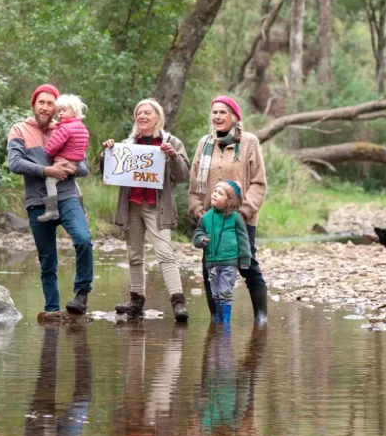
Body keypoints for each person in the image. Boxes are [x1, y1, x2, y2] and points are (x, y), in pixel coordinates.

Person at [99, 99, 192, 322]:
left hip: (157, 207)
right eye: (139, 113)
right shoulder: (127, 143)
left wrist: (172, 156)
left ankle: (178, 302)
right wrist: (107, 154)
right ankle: (136, 300)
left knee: (165, 253)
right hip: (132, 205)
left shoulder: (172, 142)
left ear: (157, 117)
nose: (142, 116)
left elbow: (182, 175)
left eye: (147, 113)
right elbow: (109, 172)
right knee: (134, 254)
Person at [7, 84, 94, 316]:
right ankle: (52, 310)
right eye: (41, 102)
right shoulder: (19, 130)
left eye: (50, 103)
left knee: (84, 239)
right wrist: (48, 171)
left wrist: (68, 167)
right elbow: (14, 164)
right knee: (48, 262)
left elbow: (85, 167)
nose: (45, 107)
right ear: (33, 105)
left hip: (67, 196)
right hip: (37, 201)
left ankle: (82, 294)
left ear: (57, 107)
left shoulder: (67, 127)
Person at [189, 96, 269, 324]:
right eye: (214, 112)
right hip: (211, 219)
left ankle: (261, 318)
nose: (217, 117)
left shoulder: (249, 142)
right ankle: (216, 316)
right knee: (210, 266)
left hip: (241, 218)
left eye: (223, 112)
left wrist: (244, 212)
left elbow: (258, 182)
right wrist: (197, 210)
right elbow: (195, 184)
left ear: (234, 117)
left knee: (248, 263)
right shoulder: (204, 144)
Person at [193, 181, 251, 325]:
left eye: (220, 193)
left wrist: (244, 260)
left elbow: (243, 239)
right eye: (215, 191)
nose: (214, 194)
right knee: (215, 293)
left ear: (230, 201)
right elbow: (197, 233)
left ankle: (225, 322)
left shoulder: (235, 218)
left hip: (229, 262)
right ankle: (218, 321)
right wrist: (200, 239)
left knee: (225, 291)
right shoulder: (205, 217)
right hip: (211, 262)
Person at [37, 94, 90, 222]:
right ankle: (81, 207)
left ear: (75, 111)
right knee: (73, 182)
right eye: (59, 111)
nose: (60, 114)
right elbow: (84, 145)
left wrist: (49, 153)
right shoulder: (82, 128)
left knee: (50, 180)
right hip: (76, 162)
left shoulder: (64, 128)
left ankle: (52, 209)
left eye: (64, 110)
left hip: (64, 161)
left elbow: (53, 146)